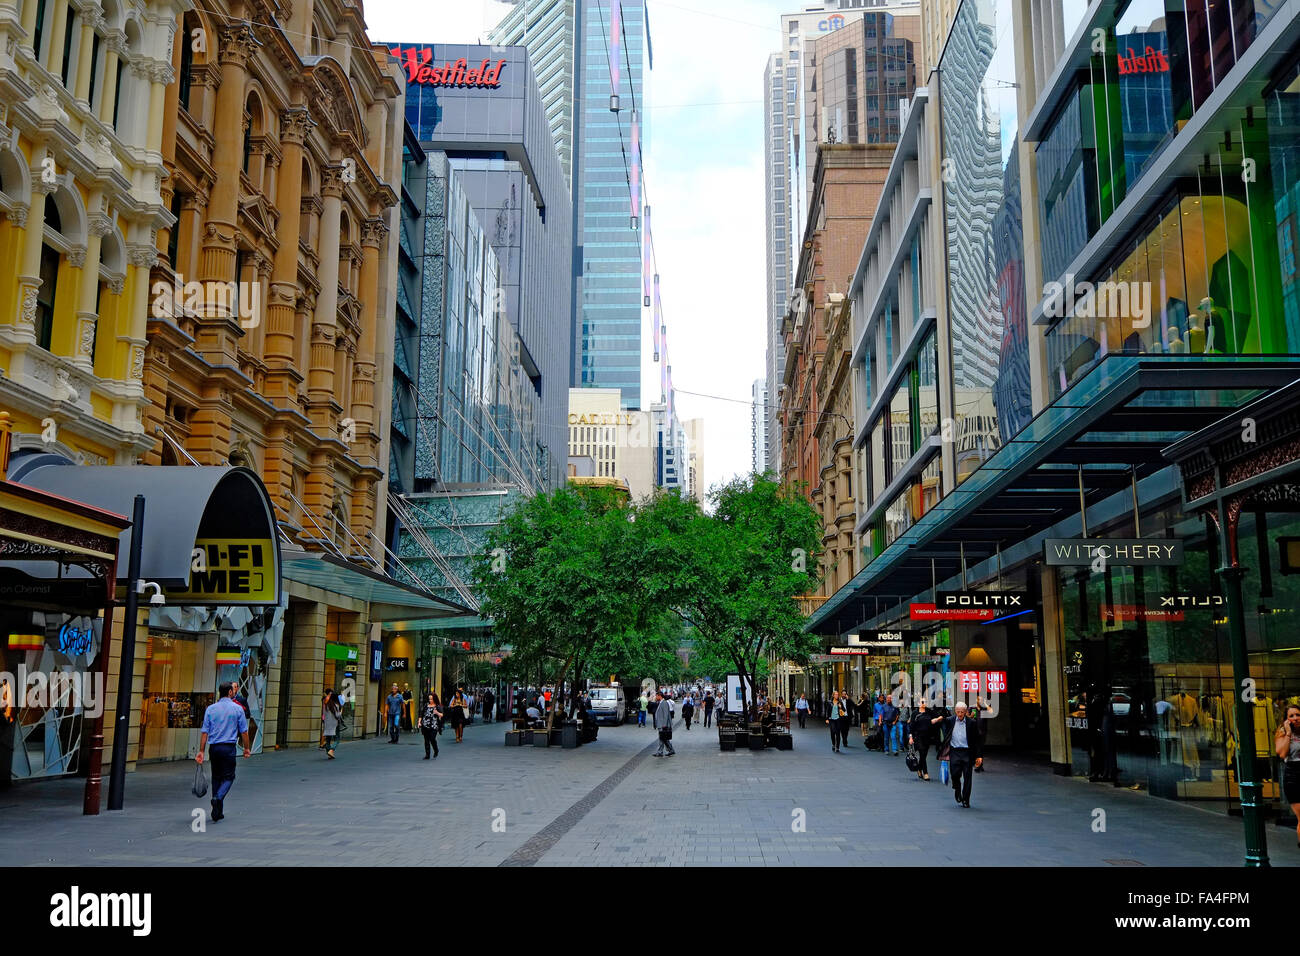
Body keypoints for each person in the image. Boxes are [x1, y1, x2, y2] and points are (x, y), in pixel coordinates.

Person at [195, 682, 250, 822]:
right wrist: (247, 748)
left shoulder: (211, 709)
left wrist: (201, 751)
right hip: (228, 748)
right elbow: (244, 731)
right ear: (230, 693)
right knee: (229, 777)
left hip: (214, 748)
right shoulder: (237, 709)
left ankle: (217, 812)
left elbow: (204, 732)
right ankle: (218, 798)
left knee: (216, 777)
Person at [933, 702, 983, 808]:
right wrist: (937, 719)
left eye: (962, 712)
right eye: (958, 712)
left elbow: (977, 740)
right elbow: (943, 718)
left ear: (965, 712)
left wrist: (979, 756)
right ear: (955, 711)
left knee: (968, 777)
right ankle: (957, 788)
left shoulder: (971, 723)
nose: (960, 714)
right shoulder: (951, 720)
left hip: (967, 752)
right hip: (955, 751)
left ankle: (966, 800)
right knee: (955, 774)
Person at [1275, 703, 1300, 849]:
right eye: (1291, 716)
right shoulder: (1282, 733)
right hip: (1293, 776)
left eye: (1298, 714)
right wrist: (1289, 733)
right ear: (1286, 719)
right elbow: (1282, 754)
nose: (1295, 718)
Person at [908, 697, 934, 780]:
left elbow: (936, 717)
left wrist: (939, 718)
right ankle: (925, 773)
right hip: (918, 736)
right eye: (922, 702)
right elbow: (911, 726)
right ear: (919, 703)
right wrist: (911, 737)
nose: (924, 703)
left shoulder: (929, 712)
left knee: (924, 754)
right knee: (922, 752)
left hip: (927, 736)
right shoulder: (915, 713)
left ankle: (919, 768)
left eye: (925, 701)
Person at [321, 688, 342, 759]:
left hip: (327, 723)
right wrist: (341, 712)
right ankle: (331, 750)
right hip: (334, 724)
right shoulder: (336, 705)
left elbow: (324, 714)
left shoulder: (326, 705)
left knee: (328, 739)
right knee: (337, 739)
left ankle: (329, 752)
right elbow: (337, 715)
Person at [653, 692, 676, 757]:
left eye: (656, 696)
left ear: (659, 696)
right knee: (664, 738)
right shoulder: (661, 703)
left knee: (663, 738)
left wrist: (664, 724)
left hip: (663, 724)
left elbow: (666, 714)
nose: (655, 697)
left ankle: (662, 751)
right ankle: (669, 750)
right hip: (661, 724)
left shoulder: (664, 703)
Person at [420, 693, 442, 759]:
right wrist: (419, 722)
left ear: (434, 699)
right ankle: (427, 755)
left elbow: (442, 715)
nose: (430, 700)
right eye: (429, 699)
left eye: (431, 699)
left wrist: (437, 713)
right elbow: (421, 714)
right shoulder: (426, 705)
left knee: (432, 739)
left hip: (434, 726)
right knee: (426, 740)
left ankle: (436, 750)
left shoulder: (437, 706)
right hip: (425, 725)